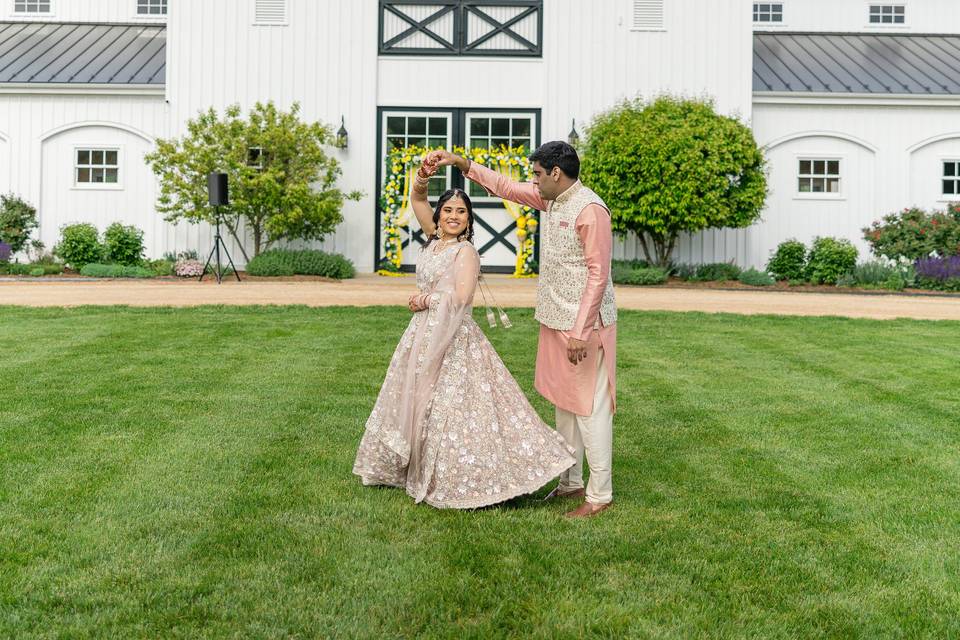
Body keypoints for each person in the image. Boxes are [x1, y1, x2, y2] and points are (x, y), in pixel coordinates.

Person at [352, 154, 574, 509]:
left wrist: (425, 300)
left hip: (455, 339)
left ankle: (467, 475)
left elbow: (461, 298)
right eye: (448, 210)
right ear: (439, 217)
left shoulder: (465, 251)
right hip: (421, 336)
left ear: (469, 220)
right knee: (416, 398)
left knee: (453, 407)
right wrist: (423, 176)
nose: (453, 216)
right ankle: (410, 465)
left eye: (461, 212)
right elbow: (417, 200)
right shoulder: (432, 240)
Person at [429, 142, 617, 518]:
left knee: (591, 408)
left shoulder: (591, 210)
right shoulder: (552, 200)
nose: (532, 181)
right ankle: (570, 483)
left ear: (555, 173)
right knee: (565, 405)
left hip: (584, 325)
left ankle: (599, 495)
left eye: (536, 174)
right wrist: (462, 164)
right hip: (554, 317)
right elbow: (506, 187)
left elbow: (599, 274)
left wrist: (581, 330)